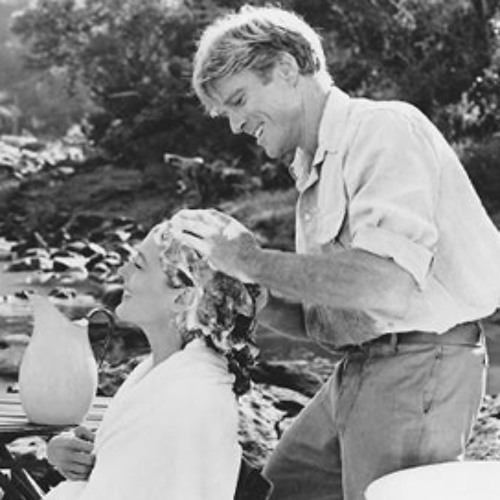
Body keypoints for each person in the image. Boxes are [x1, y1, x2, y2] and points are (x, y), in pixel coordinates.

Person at [170, 5, 500, 500]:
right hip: (357, 367)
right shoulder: (312, 167)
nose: (235, 125)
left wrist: (250, 259)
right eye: (226, 113)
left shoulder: (383, 129)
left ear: (286, 68)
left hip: (420, 365)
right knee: (284, 490)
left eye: (239, 100)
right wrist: (250, 296)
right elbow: (326, 319)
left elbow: (385, 287)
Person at [44, 219, 265, 500]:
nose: (122, 271)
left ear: (183, 298)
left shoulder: (185, 396)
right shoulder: (164, 374)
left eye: (138, 266)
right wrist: (82, 455)